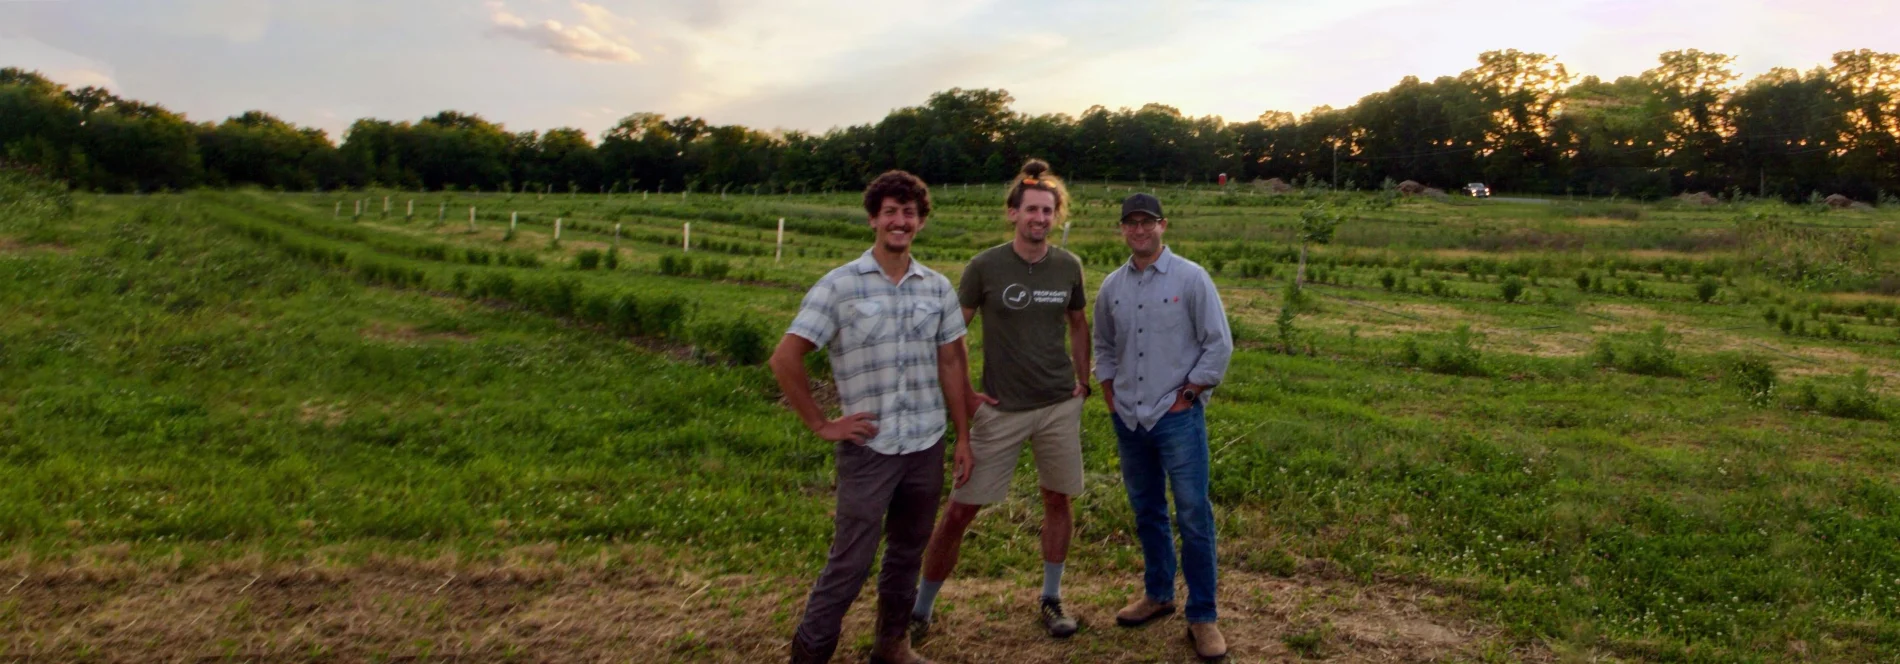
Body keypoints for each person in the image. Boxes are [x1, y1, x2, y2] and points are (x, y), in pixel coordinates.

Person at [769, 170, 972, 664]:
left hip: (925, 443)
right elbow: (785, 357)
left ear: (920, 222)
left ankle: (892, 646)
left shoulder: (938, 287)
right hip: (869, 449)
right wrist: (822, 424)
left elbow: (951, 362)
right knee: (851, 562)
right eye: (890, 213)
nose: (899, 222)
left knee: (906, 554)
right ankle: (811, 652)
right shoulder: (839, 286)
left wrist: (963, 435)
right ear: (873, 220)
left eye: (908, 213)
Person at [911, 159, 1090, 641]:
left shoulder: (1068, 267)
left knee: (1057, 498)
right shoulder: (985, 267)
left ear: (1057, 216)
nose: (1040, 218)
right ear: (1012, 213)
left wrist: (1084, 381)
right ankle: (921, 608)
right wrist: (967, 393)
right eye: (1031, 209)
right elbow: (952, 335)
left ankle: (1051, 598)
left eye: (1048, 211)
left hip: (1056, 405)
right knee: (960, 510)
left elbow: (1078, 324)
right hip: (1000, 410)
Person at [1092, 192, 1234, 662]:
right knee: (1147, 509)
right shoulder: (1112, 286)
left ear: (1162, 226)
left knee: (1193, 514)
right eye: (1130, 223)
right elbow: (1104, 345)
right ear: (1122, 230)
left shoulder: (1191, 278)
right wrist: (1110, 391)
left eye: (1147, 222)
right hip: (1129, 418)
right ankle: (1158, 593)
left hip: (1176, 418)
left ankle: (1203, 616)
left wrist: (1188, 396)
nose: (1139, 230)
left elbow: (1218, 344)